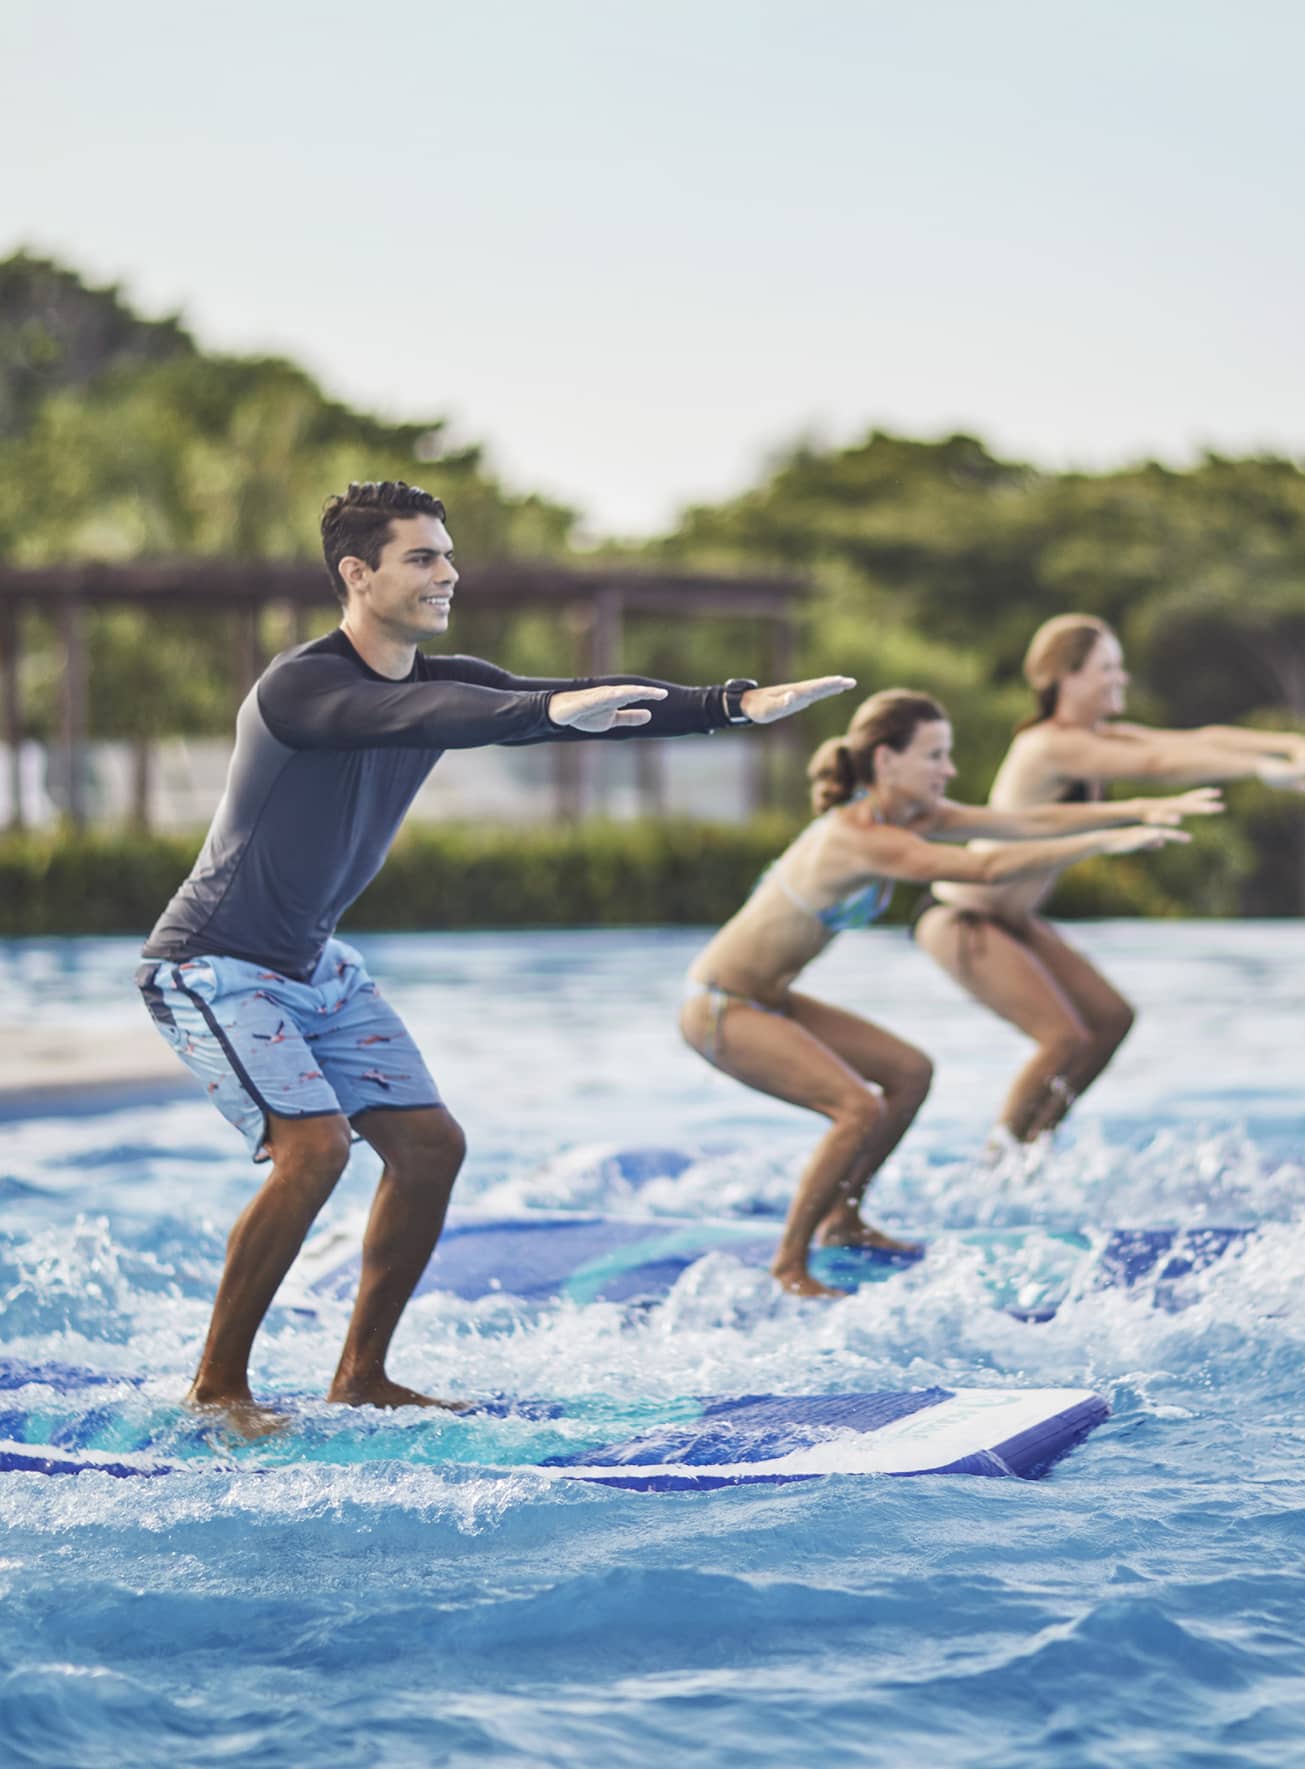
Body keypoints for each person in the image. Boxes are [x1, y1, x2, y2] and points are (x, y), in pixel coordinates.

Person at [136, 479, 853, 1430]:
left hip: (315, 964)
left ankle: (361, 1374)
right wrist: (543, 717)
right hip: (212, 962)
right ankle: (218, 1389)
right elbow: (424, 720)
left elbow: (565, 697)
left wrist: (734, 702)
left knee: (430, 1148)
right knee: (314, 1151)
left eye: (448, 554)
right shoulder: (303, 686)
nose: (448, 573)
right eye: (422, 557)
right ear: (358, 573)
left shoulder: (442, 674)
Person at [680, 687, 1219, 1296]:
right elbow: (985, 868)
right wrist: (1104, 843)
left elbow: (1023, 823)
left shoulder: (908, 817)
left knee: (910, 1073)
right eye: (935, 756)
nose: (949, 770)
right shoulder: (858, 837)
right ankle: (788, 1265)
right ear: (886, 762)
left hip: (769, 998)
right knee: (857, 1108)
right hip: (721, 1006)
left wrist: (1144, 809)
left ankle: (843, 1218)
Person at [913, 612, 1305, 1161]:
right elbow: (1157, 763)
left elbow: (1201, 739)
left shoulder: (1093, 736)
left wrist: (1289, 747)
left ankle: (1030, 1154)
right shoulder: (1049, 747)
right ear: (1066, 677)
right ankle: (994, 1166)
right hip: (963, 920)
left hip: (1013, 921)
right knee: (1063, 1038)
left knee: (1109, 1020)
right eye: (1108, 668)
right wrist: (1257, 771)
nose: (1120, 679)